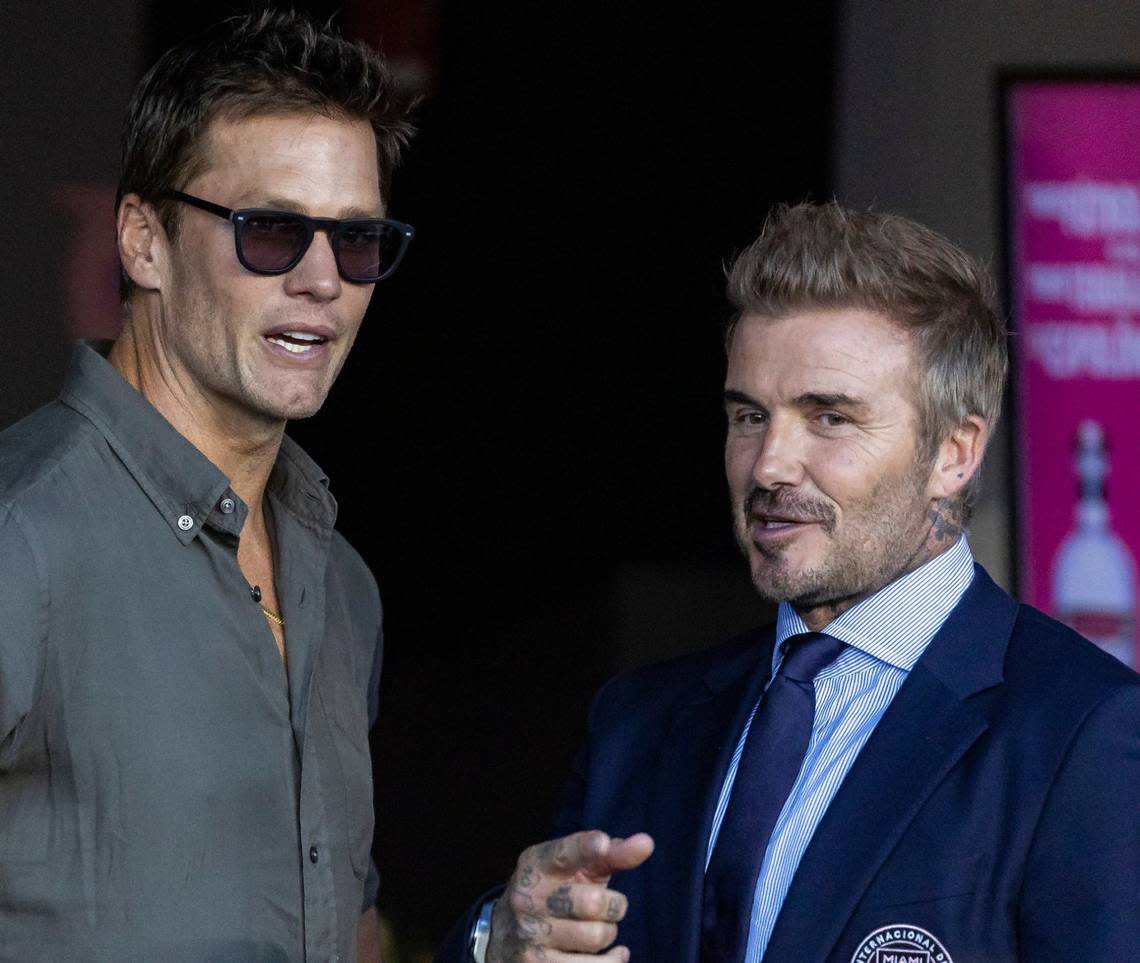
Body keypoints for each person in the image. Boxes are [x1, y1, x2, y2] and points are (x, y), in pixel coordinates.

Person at [436, 202, 1140, 963]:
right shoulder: (641, 722)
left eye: (828, 417)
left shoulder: (1080, 732)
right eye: (748, 416)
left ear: (955, 452)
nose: (768, 464)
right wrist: (495, 941)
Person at [0, 11, 413, 962]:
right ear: (142, 243)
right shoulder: (24, 536)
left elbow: (340, 922)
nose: (324, 280)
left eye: (357, 242)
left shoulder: (341, 585)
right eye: (271, 231)